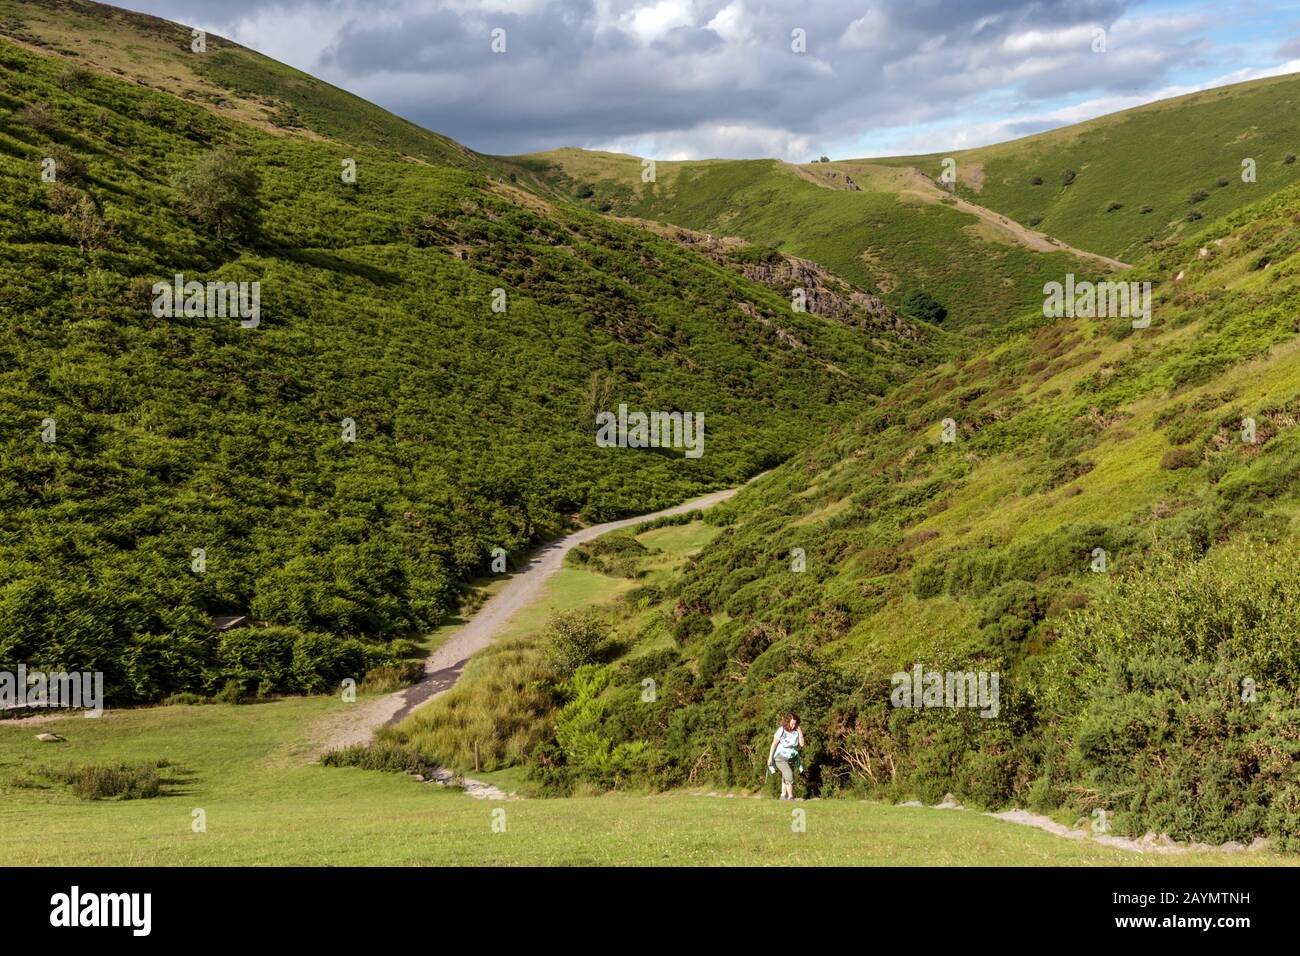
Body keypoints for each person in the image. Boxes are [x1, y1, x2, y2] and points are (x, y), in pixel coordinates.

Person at [767, 713, 805, 800]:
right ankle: (791, 797)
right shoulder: (781, 730)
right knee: (789, 775)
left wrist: (800, 732)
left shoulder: (796, 731)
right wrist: (770, 758)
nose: (793, 725)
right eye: (792, 723)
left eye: (795, 723)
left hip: (792, 757)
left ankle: (783, 795)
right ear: (787, 722)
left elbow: (802, 744)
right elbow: (774, 744)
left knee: (785, 776)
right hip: (780, 757)